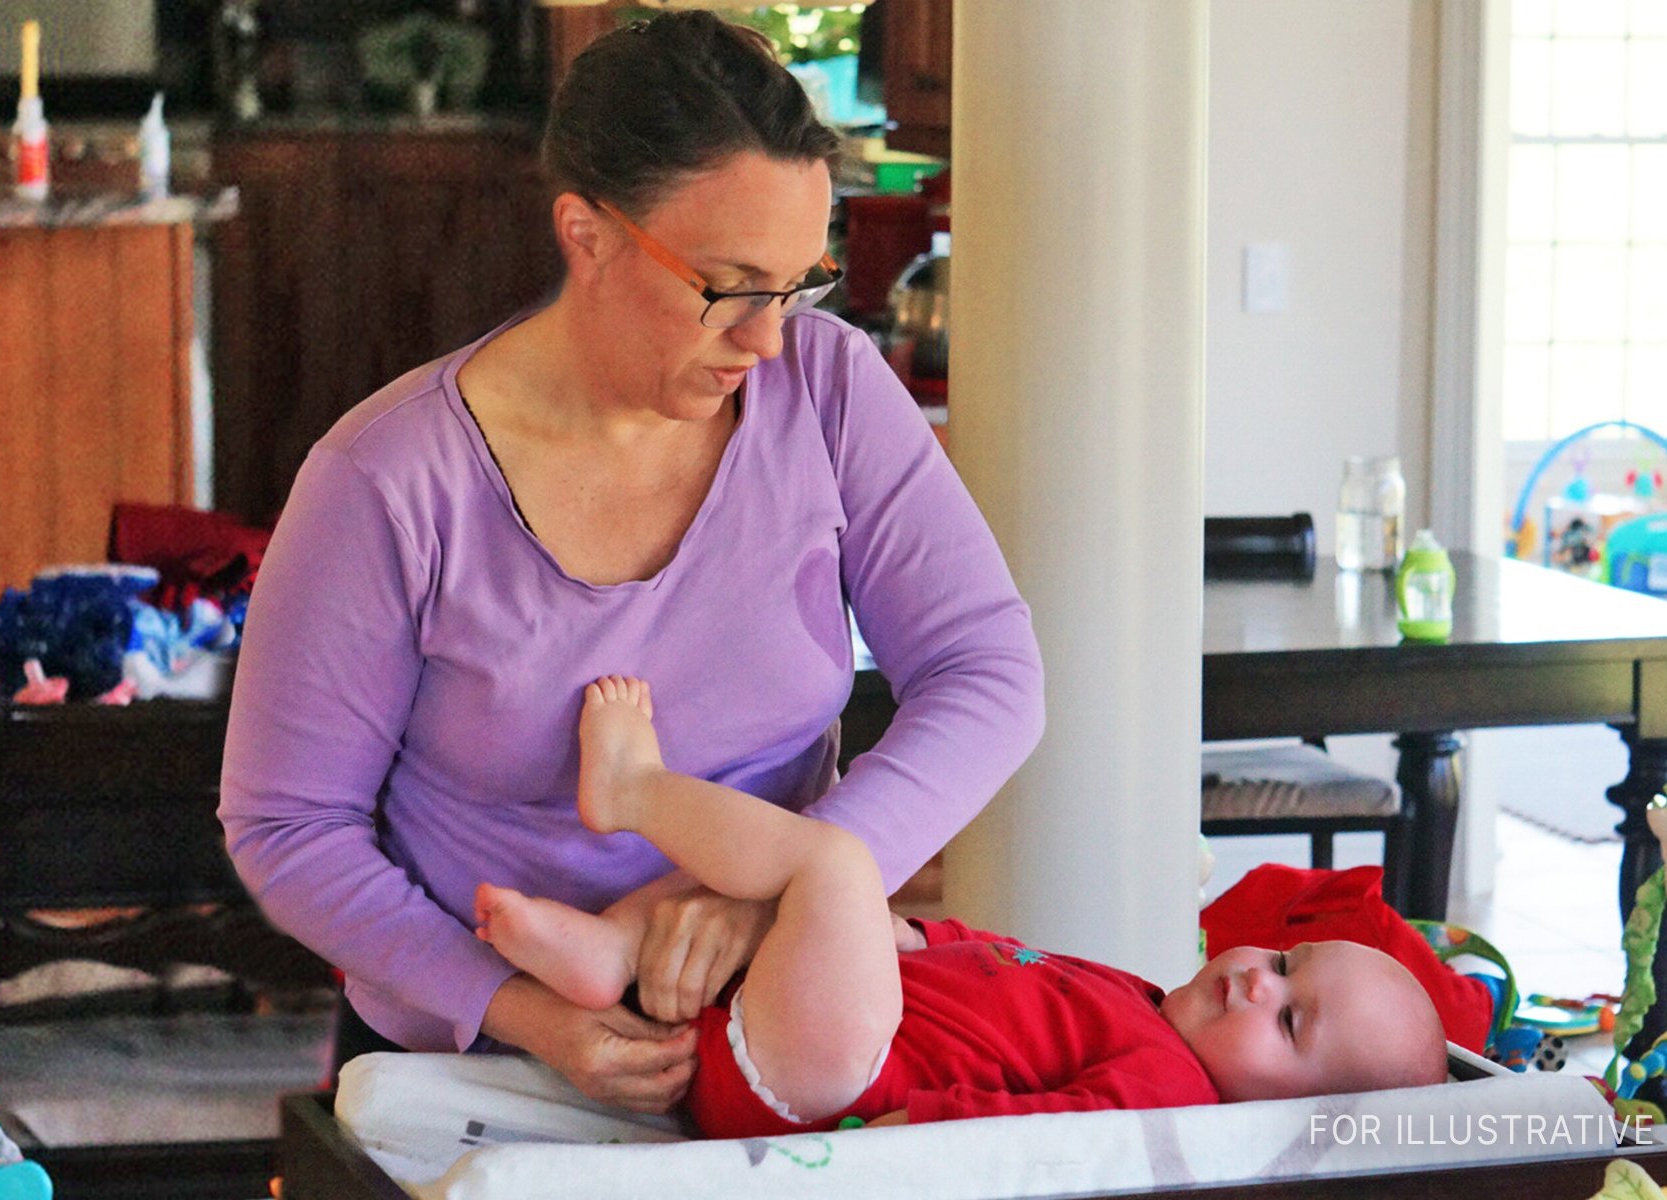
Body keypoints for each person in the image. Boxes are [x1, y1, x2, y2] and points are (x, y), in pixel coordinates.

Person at [218, 12, 1045, 1115]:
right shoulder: (385, 482)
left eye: (802, 284)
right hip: (474, 1066)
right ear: (588, 235)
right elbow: (288, 828)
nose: (768, 339)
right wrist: (520, 1008)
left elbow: (990, 673)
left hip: (776, 1029)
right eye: (731, 285)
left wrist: (791, 890)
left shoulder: (831, 391)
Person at [477, 676, 1449, 1136]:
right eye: (1283, 967)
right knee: (771, 886)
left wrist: (904, 1137)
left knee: (833, 863)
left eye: (1288, 1026)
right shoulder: (1144, 1001)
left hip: (843, 1088)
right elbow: (995, 961)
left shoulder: (1169, 1095)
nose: (1251, 984)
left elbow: (1039, 1145)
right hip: (808, 1041)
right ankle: (611, 950)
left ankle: (634, 790)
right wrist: (911, 938)